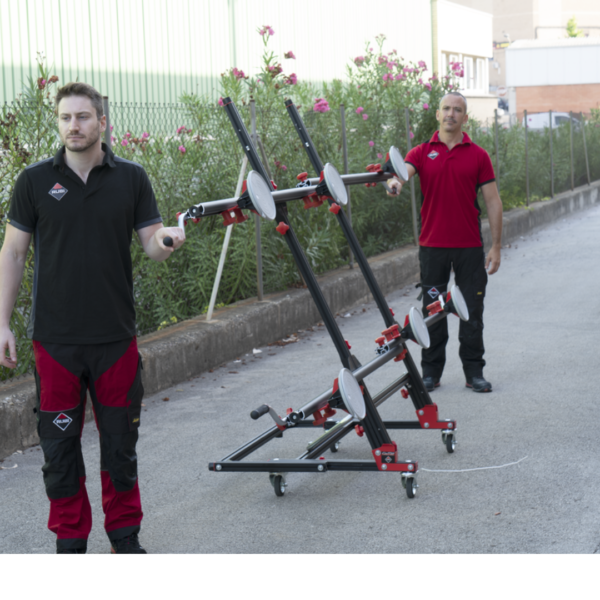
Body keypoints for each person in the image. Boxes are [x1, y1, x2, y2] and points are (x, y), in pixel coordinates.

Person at [0, 82, 185, 555]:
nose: (73, 126)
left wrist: (166, 239)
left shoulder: (132, 178)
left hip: (114, 339)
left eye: (83, 117)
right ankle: (70, 540)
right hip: (55, 343)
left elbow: (150, 242)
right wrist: (1, 324)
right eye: (65, 118)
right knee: (59, 452)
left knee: (119, 446)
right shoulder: (34, 181)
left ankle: (125, 538)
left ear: (102, 121)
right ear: (58, 122)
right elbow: (14, 254)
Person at [387, 92, 503, 393]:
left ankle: (474, 372)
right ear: (438, 115)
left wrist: (496, 246)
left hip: (469, 247)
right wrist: (395, 182)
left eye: (458, 110)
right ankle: (431, 373)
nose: (451, 114)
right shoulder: (422, 152)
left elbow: (493, 202)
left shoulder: (478, 155)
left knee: (471, 311)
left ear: (465, 118)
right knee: (433, 312)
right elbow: (403, 174)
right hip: (433, 247)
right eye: (446, 109)